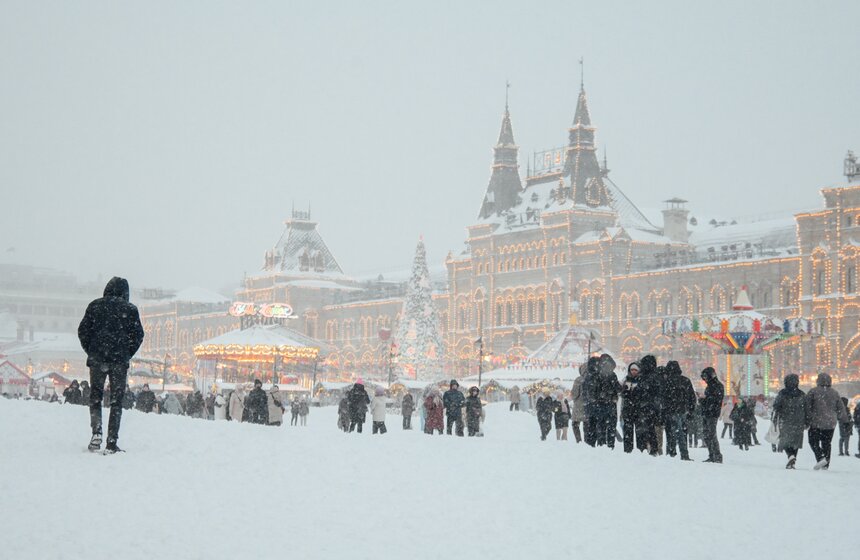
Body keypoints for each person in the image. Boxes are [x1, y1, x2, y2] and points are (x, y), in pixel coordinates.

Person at [77, 276, 145, 453]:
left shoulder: (95, 306)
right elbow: (138, 335)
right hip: (119, 362)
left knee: (96, 396)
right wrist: (125, 353)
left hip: (98, 359)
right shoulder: (130, 310)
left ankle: (96, 432)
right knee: (116, 401)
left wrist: (92, 350)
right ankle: (111, 441)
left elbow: (83, 331)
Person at [805, 373, 850, 470]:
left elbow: (807, 407)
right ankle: (826, 464)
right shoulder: (835, 393)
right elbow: (841, 408)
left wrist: (807, 419)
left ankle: (821, 457)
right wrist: (845, 420)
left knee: (813, 441)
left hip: (816, 422)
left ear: (818, 381)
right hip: (830, 423)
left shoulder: (813, 392)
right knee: (826, 443)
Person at [662, 360, 696, 460]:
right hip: (683, 410)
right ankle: (684, 454)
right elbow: (692, 397)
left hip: (670, 410)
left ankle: (671, 453)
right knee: (682, 432)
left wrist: (664, 410)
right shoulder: (686, 380)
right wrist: (691, 410)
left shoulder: (667, 381)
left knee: (670, 433)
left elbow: (663, 397)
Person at [772, 374, 806, 469]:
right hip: (799, 421)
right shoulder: (802, 394)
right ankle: (793, 458)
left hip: (785, 420)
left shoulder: (782, 393)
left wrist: (775, 418)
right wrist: (807, 420)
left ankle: (790, 456)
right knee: (796, 441)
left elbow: (776, 406)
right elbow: (807, 408)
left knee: (785, 440)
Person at [620, 362, 651, 454]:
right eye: (632, 370)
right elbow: (622, 394)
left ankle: (641, 450)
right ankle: (628, 450)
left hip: (639, 410)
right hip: (628, 410)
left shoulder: (642, 380)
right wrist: (625, 390)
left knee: (640, 432)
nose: (633, 372)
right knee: (628, 432)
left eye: (635, 370)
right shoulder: (626, 380)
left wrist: (637, 391)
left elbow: (645, 395)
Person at [700, 367, 724, 463]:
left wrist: (704, 400)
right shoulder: (710, 386)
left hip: (712, 413)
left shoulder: (717, 386)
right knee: (707, 435)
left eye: (705, 377)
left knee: (711, 434)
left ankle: (717, 456)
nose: (704, 379)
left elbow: (715, 400)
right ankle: (712, 455)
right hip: (707, 412)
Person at [570, 365, 587, 443]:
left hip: (579, 405)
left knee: (575, 424)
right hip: (590, 406)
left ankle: (579, 440)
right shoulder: (594, 378)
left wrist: (574, 399)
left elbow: (574, 394)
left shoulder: (578, 380)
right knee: (587, 425)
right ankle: (587, 440)